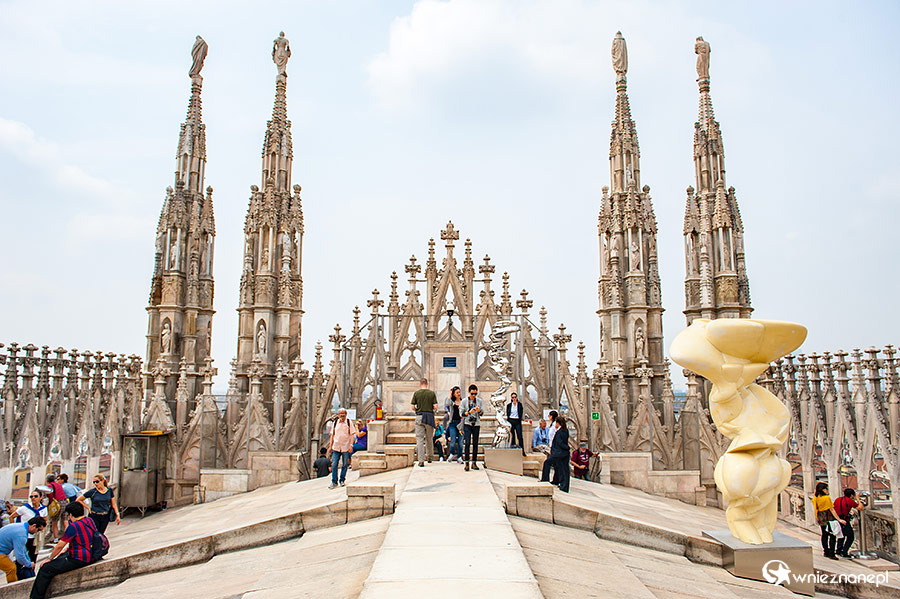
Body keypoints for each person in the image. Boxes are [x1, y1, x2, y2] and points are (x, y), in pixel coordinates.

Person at [30, 503, 95, 599]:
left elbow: (60, 545)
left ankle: (36, 597)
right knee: (61, 557)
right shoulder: (89, 520)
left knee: (45, 568)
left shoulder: (73, 526)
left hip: (79, 558)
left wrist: (50, 558)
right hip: (90, 553)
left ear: (71, 515)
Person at [0, 516, 44, 583]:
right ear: (34, 526)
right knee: (11, 568)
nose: (37, 532)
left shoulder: (22, 527)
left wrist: (29, 561)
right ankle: (13, 590)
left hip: (2, 551)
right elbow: (19, 556)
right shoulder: (21, 534)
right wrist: (29, 564)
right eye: (38, 530)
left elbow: (23, 550)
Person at [812, 481, 845, 559]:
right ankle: (832, 553)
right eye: (826, 488)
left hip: (820, 517)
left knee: (824, 535)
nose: (827, 490)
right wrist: (839, 519)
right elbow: (832, 510)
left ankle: (826, 551)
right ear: (823, 489)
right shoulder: (826, 498)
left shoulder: (816, 497)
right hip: (828, 517)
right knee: (832, 535)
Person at [410, 378, 438, 467]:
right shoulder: (431, 393)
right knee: (429, 438)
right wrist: (429, 407)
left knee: (420, 439)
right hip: (429, 416)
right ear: (427, 384)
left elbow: (412, 407)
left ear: (420, 384)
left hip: (419, 416)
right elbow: (435, 406)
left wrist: (418, 408)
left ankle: (421, 460)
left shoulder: (416, 393)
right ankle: (430, 456)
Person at [328, 408, 357, 488]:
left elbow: (352, 435)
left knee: (344, 464)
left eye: (343, 413)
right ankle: (334, 482)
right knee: (334, 465)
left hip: (345, 447)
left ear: (346, 414)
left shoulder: (348, 422)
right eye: (340, 413)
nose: (342, 415)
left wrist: (351, 445)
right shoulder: (335, 423)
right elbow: (332, 435)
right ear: (338, 415)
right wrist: (330, 446)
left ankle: (342, 480)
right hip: (336, 447)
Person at [17, 489, 48, 564]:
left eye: (35, 496)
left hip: (35, 536)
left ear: (40, 497)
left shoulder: (43, 509)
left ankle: (31, 572)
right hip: (25, 535)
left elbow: (45, 521)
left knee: (33, 555)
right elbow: (12, 516)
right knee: (22, 555)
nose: (33, 498)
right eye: (31, 496)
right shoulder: (25, 508)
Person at [834, 487, 864, 558]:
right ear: (851, 495)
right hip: (844, 520)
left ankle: (838, 550)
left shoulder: (838, 499)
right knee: (850, 537)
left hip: (837, 519)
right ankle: (844, 552)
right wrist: (858, 499)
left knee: (841, 535)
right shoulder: (850, 501)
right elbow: (861, 508)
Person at [543, 416, 571, 493]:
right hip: (564, 453)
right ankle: (564, 486)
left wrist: (567, 447)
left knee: (547, 462)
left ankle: (545, 479)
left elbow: (560, 443)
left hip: (559, 453)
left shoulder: (560, 432)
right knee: (564, 469)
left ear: (558, 423)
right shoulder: (565, 430)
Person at [462, 385, 484, 471]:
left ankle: (474, 462)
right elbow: (462, 414)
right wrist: (469, 412)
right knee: (467, 443)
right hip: (467, 424)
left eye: (475, 394)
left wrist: (479, 411)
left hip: (476, 424)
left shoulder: (479, 401)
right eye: (472, 393)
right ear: (469, 392)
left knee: (475, 444)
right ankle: (467, 463)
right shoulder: (464, 401)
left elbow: (482, 413)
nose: (474, 395)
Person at [444, 387, 464, 463]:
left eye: (459, 392)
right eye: (457, 392)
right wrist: (450, 393)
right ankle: (452, 453)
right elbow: (447, 402)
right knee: (452, 439)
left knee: (460, 441)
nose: (459, 394)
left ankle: (460, 456)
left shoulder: (463, 402)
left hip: (461, 423)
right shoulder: (452, 402)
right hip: (452, 423)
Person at [539, 411, 560, 483]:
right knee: (556, 464)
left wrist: (551, 447)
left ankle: (545, 479)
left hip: (554, 447)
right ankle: (556, 480)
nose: (548, 417)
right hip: (553, 447)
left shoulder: (555, 425)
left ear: (551, 416)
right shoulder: (553, 424)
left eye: (549, 416)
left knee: (547, 463)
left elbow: (554, 437)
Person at [45, 474, 66, 542]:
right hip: (65, 502)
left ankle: (56, 539)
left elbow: (50, 497)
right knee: (65, 521)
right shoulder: (59, 485)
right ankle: (67, 538)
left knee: (54, 522)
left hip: (57, 505)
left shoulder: (49, 486)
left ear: (47, 480)